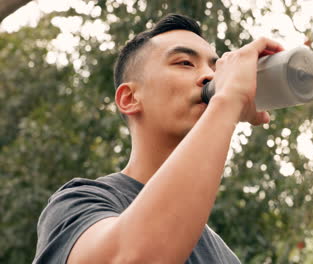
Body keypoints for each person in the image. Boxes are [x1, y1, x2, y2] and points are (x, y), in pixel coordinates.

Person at [33, 13, 283, 263]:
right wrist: (228, 99)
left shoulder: (224, 257)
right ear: (129, 98)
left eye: (216, 68)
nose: (210, 77)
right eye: (185, 62)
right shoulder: (79, 204)